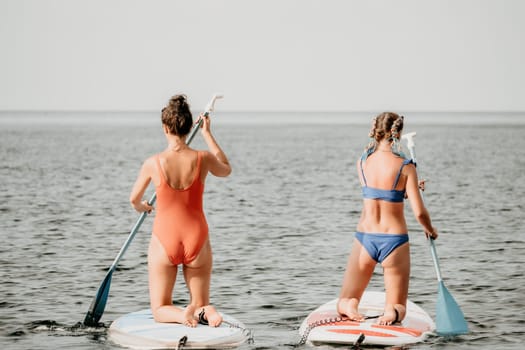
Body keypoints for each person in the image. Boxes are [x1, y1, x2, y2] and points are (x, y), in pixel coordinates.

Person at [129, 94, 231, 327]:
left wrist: (142, 206)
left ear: (165, 127)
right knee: (201, 302)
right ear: (187, 127)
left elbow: (134, 199)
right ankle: (205, 310)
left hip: (165, 239)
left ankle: (180, 315)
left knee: (160, 308)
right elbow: (226, 169)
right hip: (196, 237)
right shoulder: (202, 158)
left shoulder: (152, 163)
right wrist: (207, 134)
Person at [337, 112, 438, 325]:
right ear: (398, 133)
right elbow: (419, 212)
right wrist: (430, 228)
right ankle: (391, 312)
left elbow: (379, 194)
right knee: (398, 305)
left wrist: (409, 191)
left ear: (376, 131)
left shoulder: (363, 162)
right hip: (394, 240)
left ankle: (350, 306)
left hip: (365, 238)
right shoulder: (406, 166)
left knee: (346, 298)